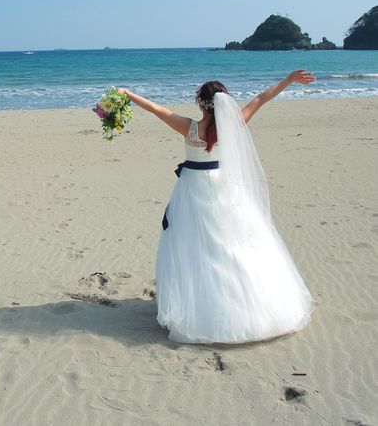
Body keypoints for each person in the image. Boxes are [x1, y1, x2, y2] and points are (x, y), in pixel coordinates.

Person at [118, 70, 315, 344]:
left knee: (193, 247)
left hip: (193, 189)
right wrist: (288, 80)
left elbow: (155, 108)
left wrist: (127, 93)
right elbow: (261, 98)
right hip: (225, 189)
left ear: (200, 103)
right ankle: (249, 306)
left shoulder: (189, 128)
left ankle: (202, 308)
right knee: (233, 245)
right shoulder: (234, 125)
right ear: (225, 102)